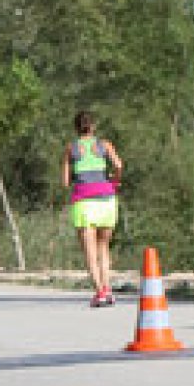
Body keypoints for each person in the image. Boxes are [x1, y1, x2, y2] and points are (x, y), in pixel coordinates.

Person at [62, 111, 123, 306]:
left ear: (76, 128)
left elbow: (65, 182)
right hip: (107, 199)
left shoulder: (71, 148)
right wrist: (115, 181)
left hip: (84, 201)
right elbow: (119, 165)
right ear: (93, 126)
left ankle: (100, 292)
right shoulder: (105, 145)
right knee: (103, 247)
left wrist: (76, 176)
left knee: (90, 252)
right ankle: (108, 289)